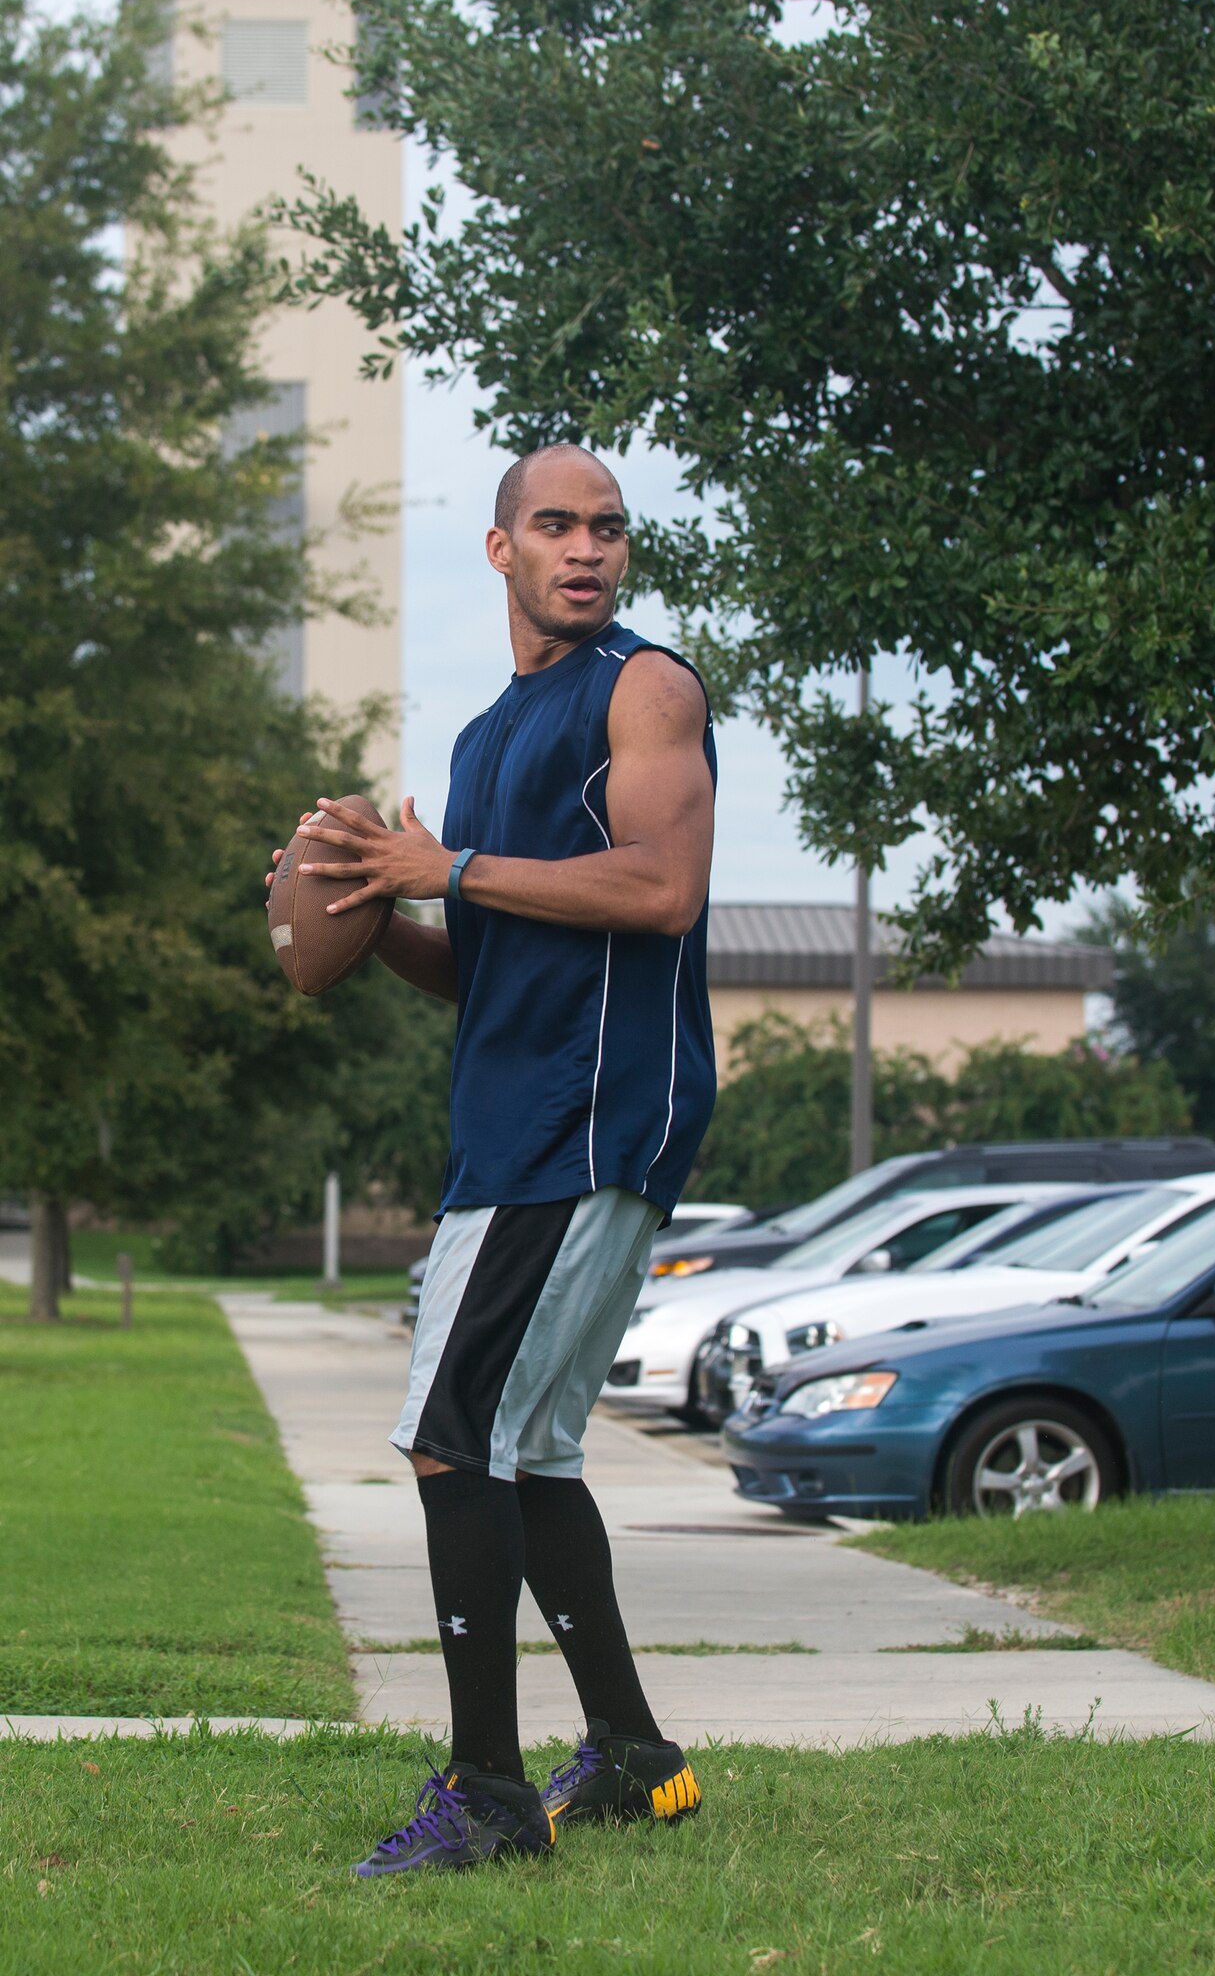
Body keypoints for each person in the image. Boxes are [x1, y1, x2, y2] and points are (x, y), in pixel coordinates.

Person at [267, 444, 717, 1874]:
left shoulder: (643, 689)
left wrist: (439, 869)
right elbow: (496, 962)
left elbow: (661, 888)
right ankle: (640, 1762)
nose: (586, 549)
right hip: (521, 1115)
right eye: (556, 526)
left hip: (575, 1123)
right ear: (499, 548)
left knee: (452, 1438)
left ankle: (488, 1798)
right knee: (525, 1448)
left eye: (607, 528)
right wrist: (370, 911)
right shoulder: (481, 739)